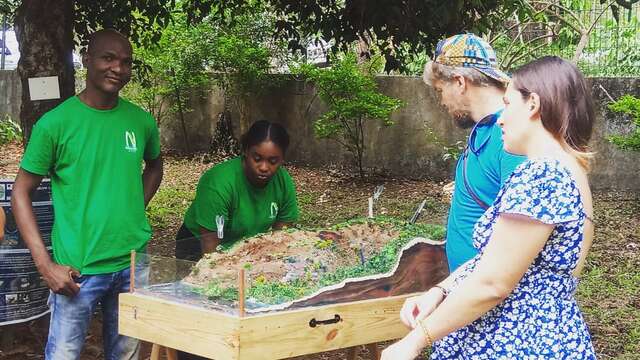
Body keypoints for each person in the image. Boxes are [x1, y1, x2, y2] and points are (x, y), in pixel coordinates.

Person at [381, 56, 596, 359]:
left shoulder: (543, 175)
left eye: (508, 105)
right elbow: (495, 258)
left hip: (518, 341)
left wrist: (416, 340)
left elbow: (493, 282)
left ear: (532, 105)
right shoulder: (562, 169)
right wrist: (440, 290)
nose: (501, 118)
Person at [11, 29, 163, 359]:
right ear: (86, 60)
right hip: (76, 272)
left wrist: (133, 207)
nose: (118, 69)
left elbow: (155, 166)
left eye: (126, 62)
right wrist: (45, 264)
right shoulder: (55, 124)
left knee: (125, 355)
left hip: (133, 265)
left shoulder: (141, 122)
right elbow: (20, 193)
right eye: (108, 58)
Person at [424, 33, 525, 272]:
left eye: (440, 90)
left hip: (489, 297)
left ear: (460, 82)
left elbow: (518, 247)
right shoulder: (484, 127)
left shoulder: (512, 139)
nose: (441, 101)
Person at [175, 120, 299, 260]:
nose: (264, 167)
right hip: (199, 246)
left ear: (282, 159)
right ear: (245, 151)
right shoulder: (218, 183)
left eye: (273, 161)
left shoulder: (283, 182)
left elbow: (281, 238)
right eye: (257, 158)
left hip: (245, 247)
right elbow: (210, 251)